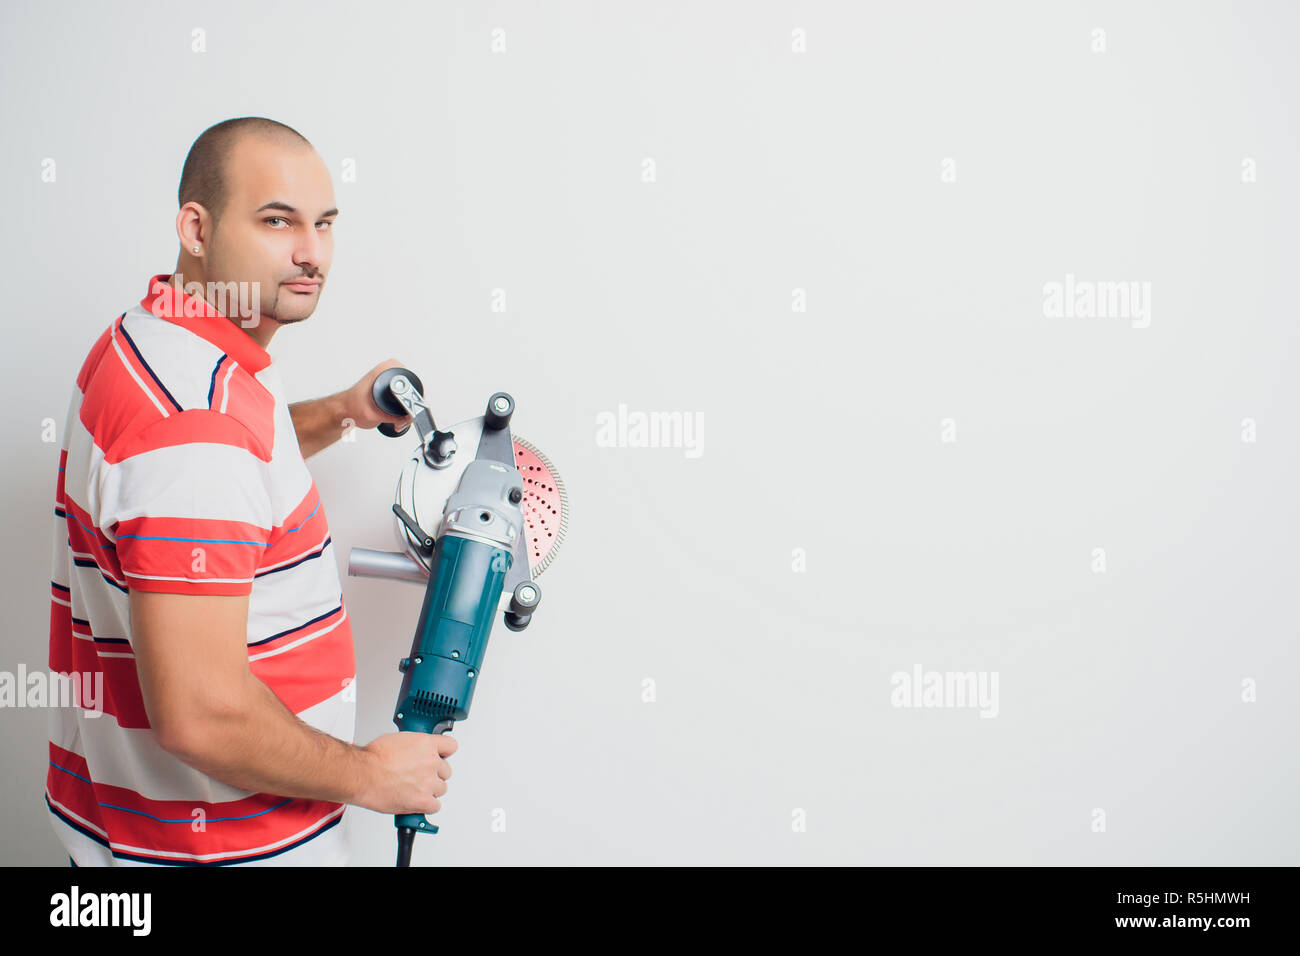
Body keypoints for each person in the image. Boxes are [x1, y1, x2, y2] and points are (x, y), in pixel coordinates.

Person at [46, 117, 456, 865]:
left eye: (324, 224)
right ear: (196, 228)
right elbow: (201, 717)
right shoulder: (194, 421)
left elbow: (223, 476)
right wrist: (370, 775)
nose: (311, 253)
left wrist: (340, 412)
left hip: (122, 823)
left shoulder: (148, 341)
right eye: (277, 221)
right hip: (215, 849)